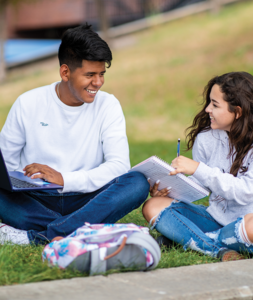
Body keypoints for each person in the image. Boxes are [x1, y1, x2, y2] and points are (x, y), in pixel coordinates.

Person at [0, 24, 149, 245]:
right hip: (36, 199)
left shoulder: (108, 105)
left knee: (137, 183)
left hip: (88, 198)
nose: (98, 83)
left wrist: (64, 179)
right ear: (65, 72)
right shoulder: (28, 103)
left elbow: (118, 165)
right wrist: (22, 181)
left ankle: (40, 236)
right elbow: (6, 165)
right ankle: (83, 227)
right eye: (90, 75)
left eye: (101, 74)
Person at [142, 72, 253, 261]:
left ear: (238, 111)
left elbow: (247, 191)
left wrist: (198, 168)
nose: (207, 110)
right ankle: (214, 248)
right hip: (215, 220)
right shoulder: (206, 138)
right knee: (153, 206)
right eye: (209, 103)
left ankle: (187, 238)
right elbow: (201, 186)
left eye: (214, 105)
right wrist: (169, 189)